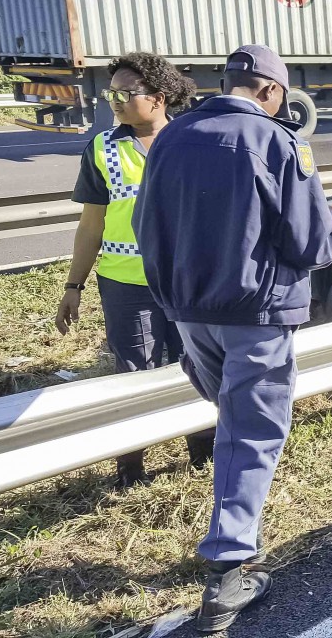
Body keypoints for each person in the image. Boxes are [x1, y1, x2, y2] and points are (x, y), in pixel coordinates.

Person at [134, 45, 332, 632]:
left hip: (186, 310)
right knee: (251, 432)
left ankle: (232, 533)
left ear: (228, 82)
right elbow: (311, 245)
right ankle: (229, 569)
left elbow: (144, 227)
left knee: (233, 419)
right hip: (254, 313)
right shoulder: (277, 143)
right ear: (272, 91)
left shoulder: (172, 138)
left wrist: (171, 297)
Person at [55, 52, 214, 489]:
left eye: (126, 94)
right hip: (127, 285)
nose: (116, 102)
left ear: (159, 98)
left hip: (186, 282)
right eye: (112, 95)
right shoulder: (103, 148)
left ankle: (204, 452)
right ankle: (131, 469)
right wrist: (74, 284)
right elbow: (92, 223)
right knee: (133, 375)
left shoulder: (193, 141)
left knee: (197, 366)